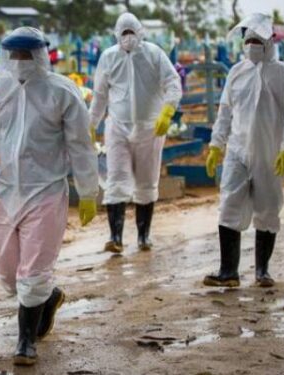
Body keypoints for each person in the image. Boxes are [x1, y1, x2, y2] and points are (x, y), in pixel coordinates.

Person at [0, 27, 99, 366]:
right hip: (6, 192)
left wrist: (87, 190)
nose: (19, 62)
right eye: (13, 55)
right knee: (8, 274)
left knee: (32, 273)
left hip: (46, 192)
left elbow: (80, 143)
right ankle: (50, 297)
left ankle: (25, 343)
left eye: (25, 54)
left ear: (41, 55)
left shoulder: (61, 92)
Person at [203, 13, 284, 288]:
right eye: (247, 39)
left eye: (256, 40)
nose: (251, 45)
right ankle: (228, 271)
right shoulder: (236, 73)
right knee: (228, 206)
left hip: (269, 153)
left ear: (269, 41)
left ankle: (262, 271)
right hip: (237, 150)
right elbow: (225, 113)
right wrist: (216, 145)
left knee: (268, 208)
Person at [88, 12, 183, 253]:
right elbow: (99, 96)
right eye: (124, 33)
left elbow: (173, 83)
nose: (128, 38)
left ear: (140, 32)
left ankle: (143, 236)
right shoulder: (108, 58)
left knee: (146, 180)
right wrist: (90, 124)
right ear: (117, 35)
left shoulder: (153, 54)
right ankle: (115, 237)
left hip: (150, 127)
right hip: (117, 127)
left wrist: (167, 111)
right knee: (116, 179)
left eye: (132, 32)